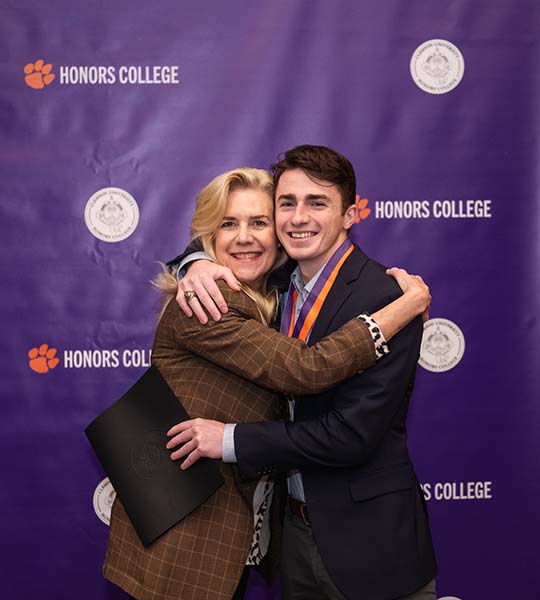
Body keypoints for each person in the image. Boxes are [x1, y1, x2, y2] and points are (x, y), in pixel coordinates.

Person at [103, 166, 431, 600]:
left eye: (258, 222)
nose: (244, 237)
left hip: (237, 534)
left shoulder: (275, 296)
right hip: (183, 539)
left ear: (277, 233)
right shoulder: (205, 305)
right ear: (209, 235)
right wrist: (404, 308)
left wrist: (193, 261)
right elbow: (307, 370)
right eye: (228, 224)